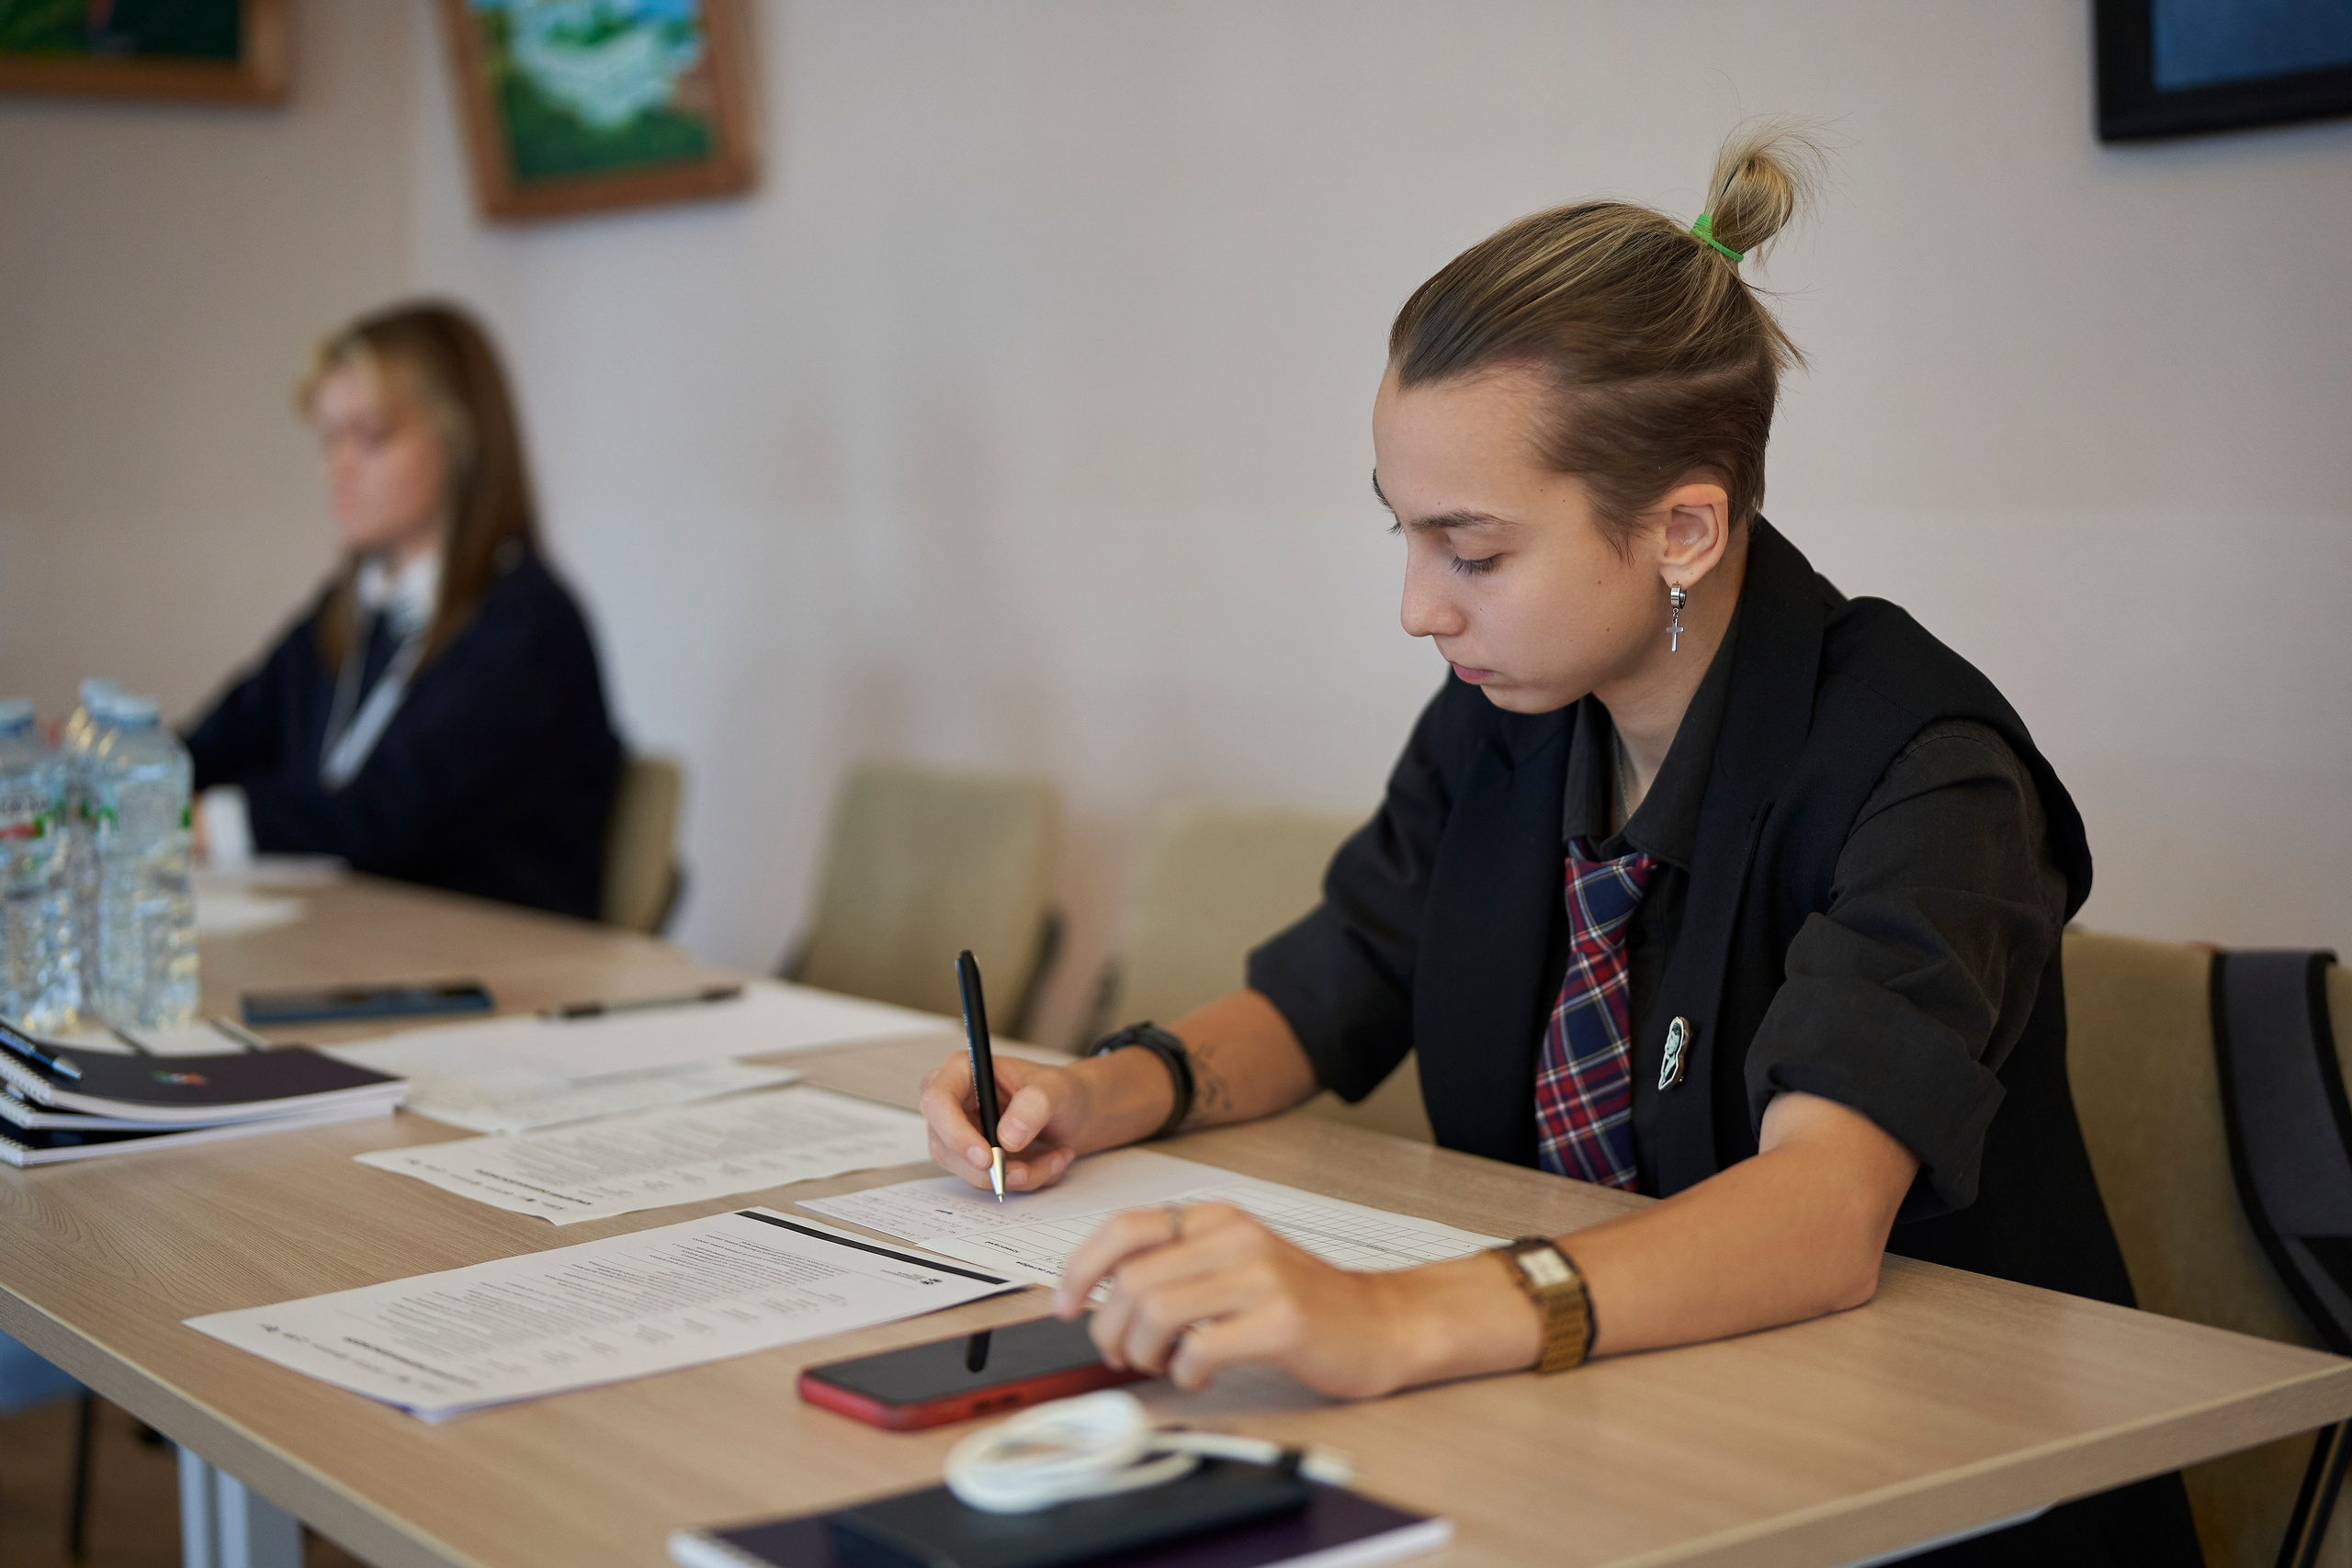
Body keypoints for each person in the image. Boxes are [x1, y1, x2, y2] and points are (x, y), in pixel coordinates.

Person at [918, 127, 2199, 1564]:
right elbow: (1344, 972)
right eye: (1404, 534)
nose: (1418, 605)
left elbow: (1821, 1211)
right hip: (1616, 1433)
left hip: (1929, 1491)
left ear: (1685, 527)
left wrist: (1394, 1314)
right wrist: (1107, 1088)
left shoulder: (1923, 769)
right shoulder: (1512, 710)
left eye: (1472, 551)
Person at [184, 302, 621, 919]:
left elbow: (395, 815)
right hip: (354, 947)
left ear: (462, 440)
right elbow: (217, 742)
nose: (338, 468)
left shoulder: (527, 626)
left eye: (370, 438)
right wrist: (107, 771)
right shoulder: (351, 611)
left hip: (497, 976)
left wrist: (204, 821)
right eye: (328, 439)